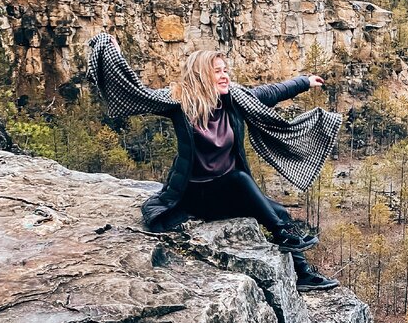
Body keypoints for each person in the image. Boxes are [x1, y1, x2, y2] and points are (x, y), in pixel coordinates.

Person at [86, 32, 340, 291]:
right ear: (200, 75)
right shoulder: (178, 102)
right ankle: (285, 234)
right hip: (194, 195)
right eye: (217, 71)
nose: (225, 75)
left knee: (279, 211)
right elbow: (134, 93)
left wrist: (304, 81)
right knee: (241, 178)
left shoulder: (234, 99)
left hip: (226, 192)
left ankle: (303, 275)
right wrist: (112, 54)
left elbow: (270, 92)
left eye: (225, 70)